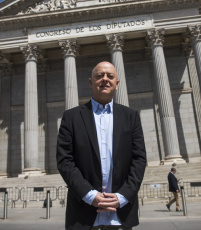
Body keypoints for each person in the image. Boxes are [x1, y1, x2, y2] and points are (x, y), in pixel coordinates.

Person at [57, 61, 147, 230]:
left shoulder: (131, 116)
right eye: (99, 76)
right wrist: (90, 195)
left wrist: (123, 196)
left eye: (110, 76)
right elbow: (64, 161)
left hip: (121, 213)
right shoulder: (71, 117)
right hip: (83, 213)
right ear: (91, 82)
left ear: (117, 84)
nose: (105, 79)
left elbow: (139, 159)